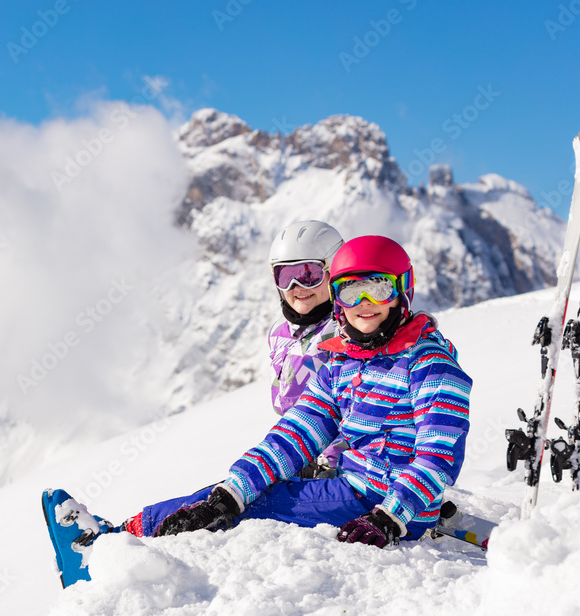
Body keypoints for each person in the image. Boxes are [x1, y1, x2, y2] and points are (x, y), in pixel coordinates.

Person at [43, 236, 473, 587]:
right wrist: (232, 490)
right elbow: (298, 430)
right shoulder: (342, 360)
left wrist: (390, 517)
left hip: (382, 507)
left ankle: (106, 552)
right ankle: (121, 535)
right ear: (337, 297)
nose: (364, 302)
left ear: (402, 290)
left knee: (255, 506)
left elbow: (439, 455)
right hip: (355, 491)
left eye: (377, 288)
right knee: (227, 498)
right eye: (349, 289)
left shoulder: (430, 365)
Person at [267, 220, 344, 416]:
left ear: (333, 272)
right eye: (285, 276)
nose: (297, 287)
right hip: (297, 439)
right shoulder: (278, 333)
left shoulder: (346, 330)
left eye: (309, 274)